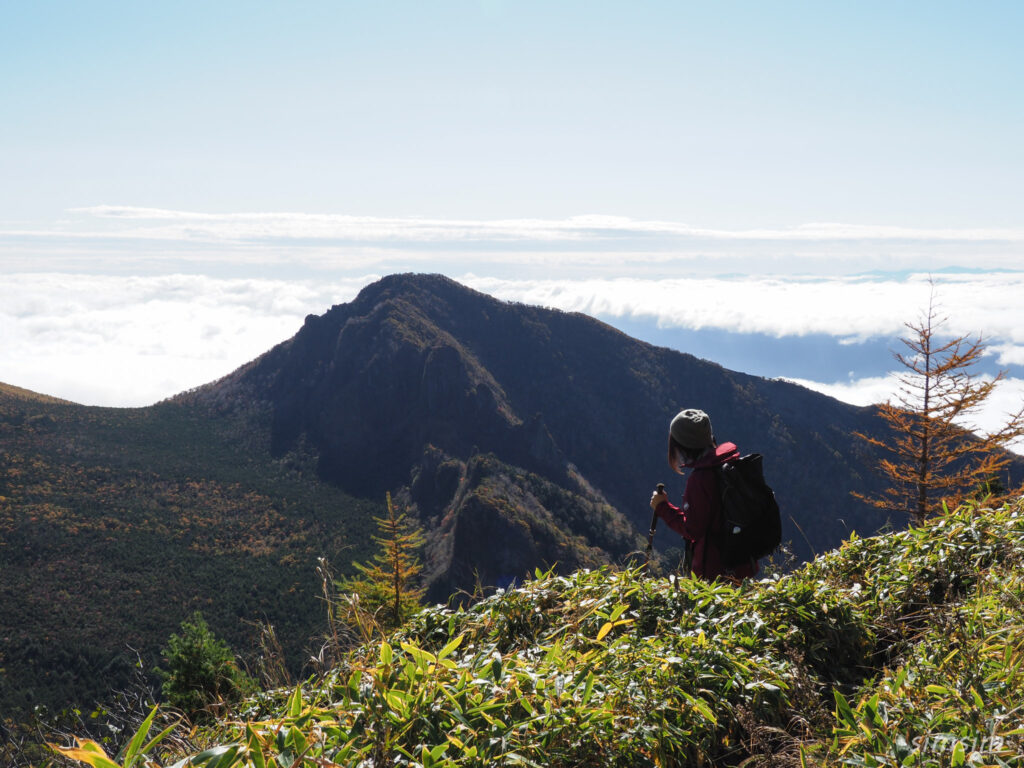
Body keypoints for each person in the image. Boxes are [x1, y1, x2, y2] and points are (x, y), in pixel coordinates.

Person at [649, 408, 758, 581]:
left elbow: (692, 529)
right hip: (742, 566)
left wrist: (662, 507)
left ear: (681, 444)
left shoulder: (701, 478)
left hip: (715, 574)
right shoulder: (731, 465)